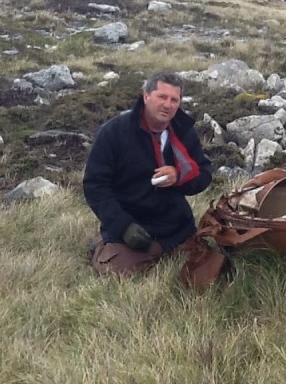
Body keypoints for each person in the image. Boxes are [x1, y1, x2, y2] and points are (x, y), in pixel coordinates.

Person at [83, 70, 212, 276]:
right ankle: (103, 247)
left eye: (174, 100)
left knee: (206, 266)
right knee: (118, 271)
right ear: (146, 96)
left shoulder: (183, 130)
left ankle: (160, 251)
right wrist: (123, 226)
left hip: (175, 225)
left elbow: (204, 173)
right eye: (162, 97)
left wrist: (178, 176)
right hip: (133, 225)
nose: (168, 105)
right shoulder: (114, 132)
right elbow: (95, 186)